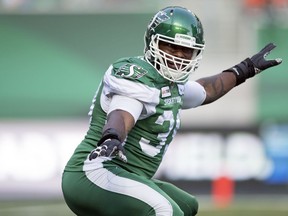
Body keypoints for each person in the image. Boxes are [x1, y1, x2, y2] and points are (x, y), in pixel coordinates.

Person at [61, 6, 282, 216]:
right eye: (170, 46)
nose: (178, 56)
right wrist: (112, 136)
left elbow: (206, 89)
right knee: (165, 210)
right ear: (152, 43)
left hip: (124, 174)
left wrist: (245, 69)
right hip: (94, 171)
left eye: (186, 50)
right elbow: (123, 112)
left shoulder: (171, 86)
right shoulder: (138, 76)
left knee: (186, 206)